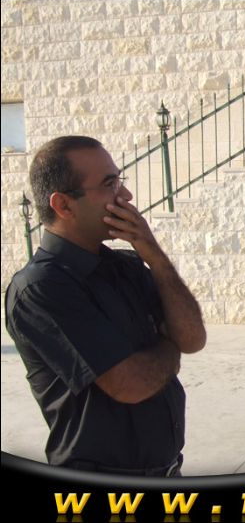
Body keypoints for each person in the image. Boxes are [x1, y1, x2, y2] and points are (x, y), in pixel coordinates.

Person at [5, 136, 207, 476]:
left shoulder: (126, 266)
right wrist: (169, 349)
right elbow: (131, 384)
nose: (125, 195)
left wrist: (154, 255)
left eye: (119, 180)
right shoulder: (41, 288)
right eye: (109, 183)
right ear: (63, 205)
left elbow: (192, 338)